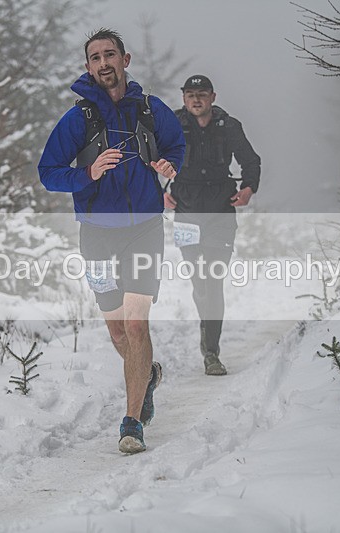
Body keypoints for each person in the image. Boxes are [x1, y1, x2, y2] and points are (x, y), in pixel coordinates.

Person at [38, 29, 185, 454]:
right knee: (119, 332)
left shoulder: (151, 110)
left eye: (110, 55)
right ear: (88, 67)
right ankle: (147, 376)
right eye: (95, 57)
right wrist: (88, 173)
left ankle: (132, 421)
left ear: (125, 59)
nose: (103, 63)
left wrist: (169, 164)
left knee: (137, 324)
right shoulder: (78, 119)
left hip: (144, 230)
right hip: (97, 235)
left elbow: (177, 146)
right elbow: (48, 172)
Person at [164, 75, 261, 376]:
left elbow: (251, 162)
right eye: (190, 94)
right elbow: (149, 160)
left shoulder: (229, 126)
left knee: (213, 280)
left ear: (213, 97)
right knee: (200, 282)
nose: (196, 100)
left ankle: (211, 353)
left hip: (221, 211)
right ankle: (207, 329)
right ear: (183, 98)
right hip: (187, 212)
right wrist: (160, 193)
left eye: (202, 94)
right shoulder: (172, 125)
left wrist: (248, 190)